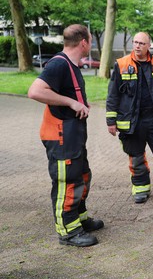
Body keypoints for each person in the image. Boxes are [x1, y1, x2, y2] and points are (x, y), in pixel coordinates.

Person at [28, 24, 104, 247]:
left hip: (73, 136)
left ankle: (79, 219)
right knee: (67, 181)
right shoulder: (59, 64)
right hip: (61, 136)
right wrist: (71, 102)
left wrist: (79, 101)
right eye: (90, 41)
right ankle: (68, 232)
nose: (89, 45)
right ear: (84, 42)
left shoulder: (71, 65)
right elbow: (35, 91)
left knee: (82, 176)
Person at [106, 32, 153, 204]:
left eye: (141, 43)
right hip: (132, 122)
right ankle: (141, 190)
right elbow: (112, 95)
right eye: (135, 42)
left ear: (149, 46)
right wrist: (111, 121)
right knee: (136, 157)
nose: (137, 46)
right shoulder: (121, 64)